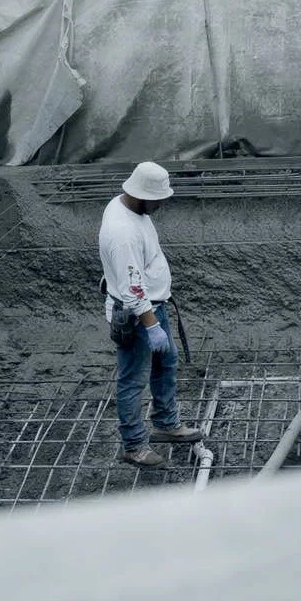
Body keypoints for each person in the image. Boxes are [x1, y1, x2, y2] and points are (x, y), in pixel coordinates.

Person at [99, 162, 202, 468]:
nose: (161, 205)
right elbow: (132, 292)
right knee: (133, 380)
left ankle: (166, 423)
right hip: (137, 316)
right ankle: (134, 446)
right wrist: (152, 326)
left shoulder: (129, 207)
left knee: (166, 364)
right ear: (141, 195)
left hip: (154, 307)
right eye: (157, 200)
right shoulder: (123, 233)